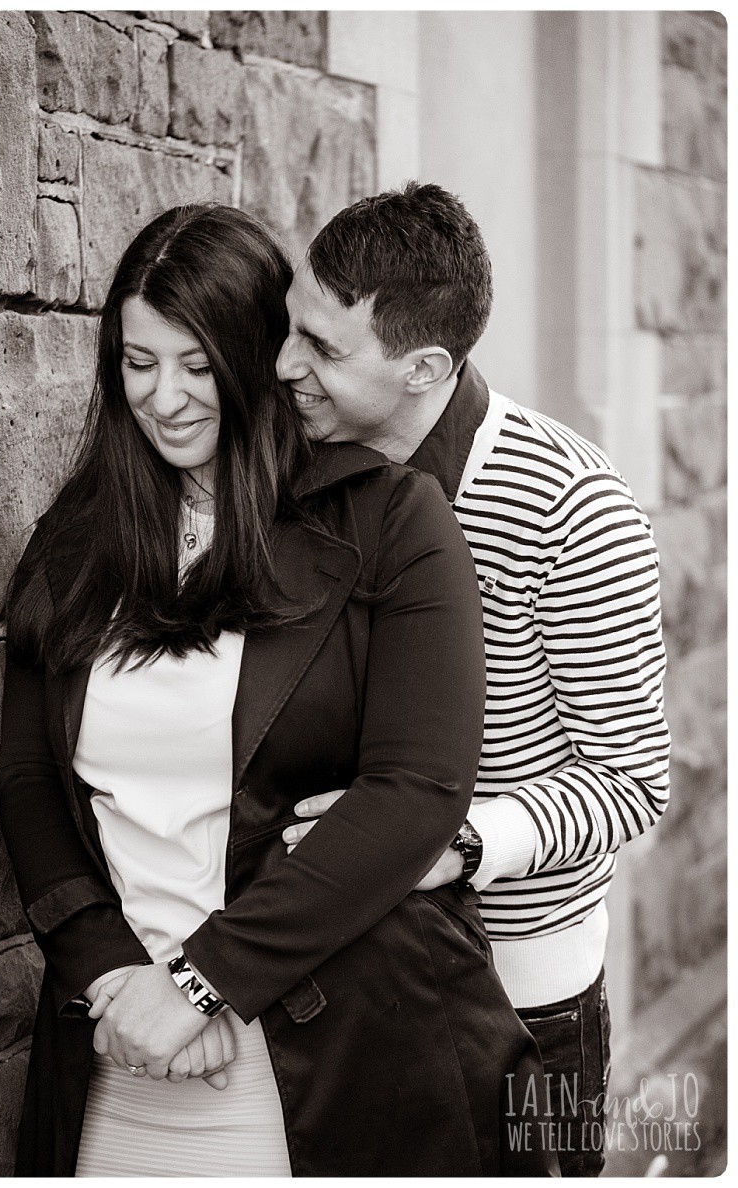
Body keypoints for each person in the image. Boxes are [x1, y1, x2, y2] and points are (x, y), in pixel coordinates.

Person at [0, 203, 557, 1178]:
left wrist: (205, 983)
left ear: (266, 356)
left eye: (197, 364)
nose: (163, 398)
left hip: (354, 1060)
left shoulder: (390, 521)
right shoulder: (78, 541)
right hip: (124, 1055)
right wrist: (117, 974)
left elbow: (414, 792)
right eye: (137, 363)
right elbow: (29, 785)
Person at [277, 181, 671, 1177]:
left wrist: (445, 844)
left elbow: (627, 780)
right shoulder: (286, 463)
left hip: (524, 1008)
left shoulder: (571, 507)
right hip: (317, 983)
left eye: (323, 350)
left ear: (425, 368)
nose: (284, 367)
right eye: (292, 329)